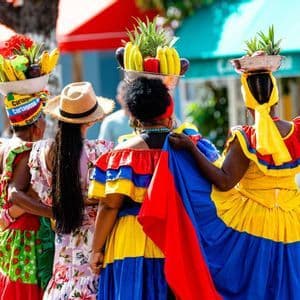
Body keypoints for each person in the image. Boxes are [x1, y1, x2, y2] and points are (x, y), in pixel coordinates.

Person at [167, 72, 300, 299]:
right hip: (293, 220)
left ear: (247, 101)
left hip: (252, 222)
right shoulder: (296, 131)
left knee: (255, 287)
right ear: (276, 98)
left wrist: (191, 149)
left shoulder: (246, 137)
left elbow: (224, 181)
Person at [88, 77, 220, 300]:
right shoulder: (193, 146)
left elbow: (110, 206)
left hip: (132, 242)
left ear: (134, 115)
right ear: (167, 110)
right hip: (180, 237)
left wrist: (96, 250)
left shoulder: (123, 154)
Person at [18, 82, 113, 300]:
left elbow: (46, 198)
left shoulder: (41, 153)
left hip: (63, 251)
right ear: (92, 120)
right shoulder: (102, 151)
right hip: (96, 247)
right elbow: (110, 198)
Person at [0, 91, 54, 300]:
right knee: (27, 292)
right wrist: (52, 212)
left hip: (11, 235)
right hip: (30, 238)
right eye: (44, 119)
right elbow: (15, 194)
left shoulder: (5, 146)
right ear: (36, 126)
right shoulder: (28, 150)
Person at [98, 80, 132, 145]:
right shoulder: (110, 121)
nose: (127, 100)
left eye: (129, 96)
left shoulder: (144, 120)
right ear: (118, 98)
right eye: (124, 97)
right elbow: (103, 148)